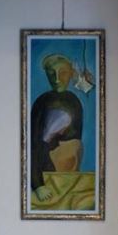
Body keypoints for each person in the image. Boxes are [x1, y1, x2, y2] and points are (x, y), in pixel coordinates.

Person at [31, 54, 83, 202]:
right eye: (52, 73)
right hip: (50, 172)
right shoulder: (42, 103)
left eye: (63, 73)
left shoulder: (75, 102)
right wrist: (38, 185)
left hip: (69, 174)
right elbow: (34, 145)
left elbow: (76, 143)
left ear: (71, 73)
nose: (57, 79)